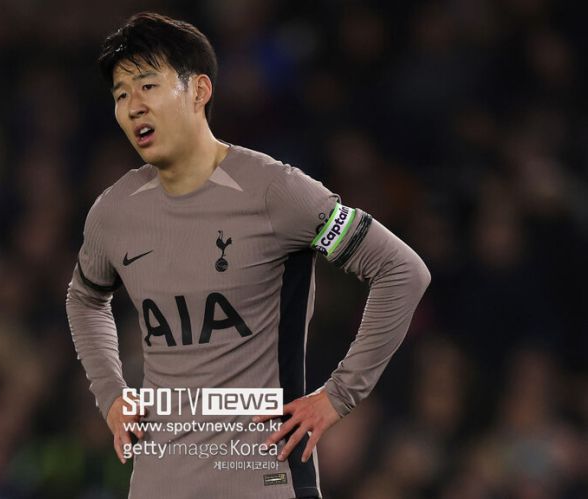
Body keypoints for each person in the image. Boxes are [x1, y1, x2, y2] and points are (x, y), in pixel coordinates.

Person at [66, 12, 430, 499]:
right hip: (157, 484)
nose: (133, 107)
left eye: (147, 86)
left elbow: (401, 271)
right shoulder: (114, 212)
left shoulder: (276, 191)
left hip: (260, 480)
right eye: (120, 95)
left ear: (199, 90)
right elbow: (84, 298)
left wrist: (338, 395)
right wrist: (111, 394)